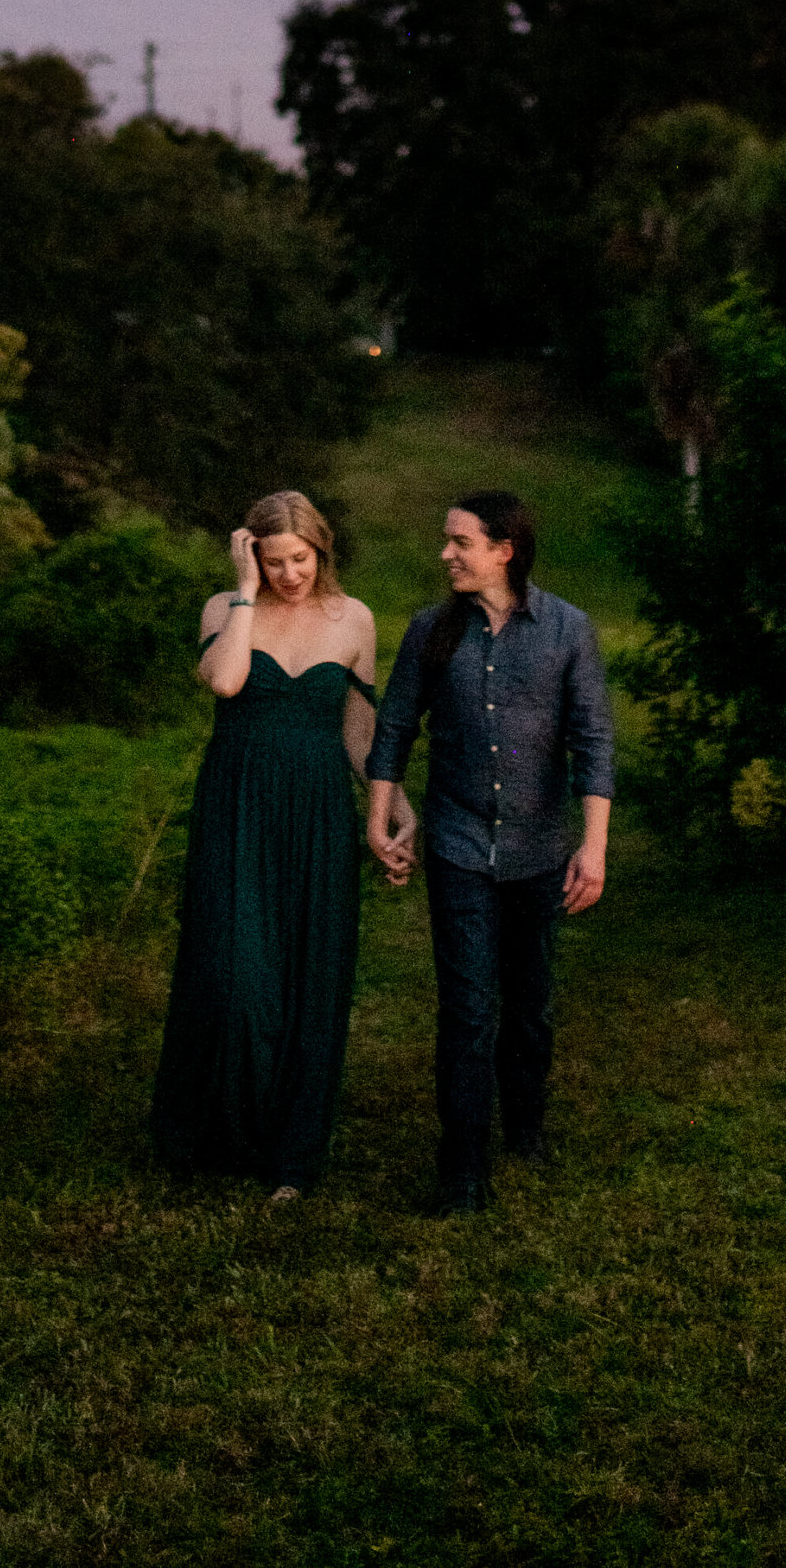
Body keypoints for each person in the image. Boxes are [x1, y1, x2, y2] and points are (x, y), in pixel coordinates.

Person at [364, 491, 615, 1213]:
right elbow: (394, 731)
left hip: (540, 852)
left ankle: (526, 1123)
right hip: (458, 845)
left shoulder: (568, 630)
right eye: (447, 541)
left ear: (504, 549)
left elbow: (594, 744)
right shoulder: (427, 632)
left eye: (460, 542)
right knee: (468, 1011)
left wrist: (591, 850)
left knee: (529, 1004)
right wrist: (379, 822)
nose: (445, 554)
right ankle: (463, 1168)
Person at [149, 487, 400, 1200]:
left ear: (321, 549)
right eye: (274, 560)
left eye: (301, 558)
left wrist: (390, 807)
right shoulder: (226, 611)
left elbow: (359, 730)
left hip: (318, 811)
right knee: (231, 969)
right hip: (237, 805)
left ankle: (290, 1156)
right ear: (251, 555)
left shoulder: (354, 619)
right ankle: (209, 1134)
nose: (291, 574)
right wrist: (244, 592)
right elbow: (226, 680)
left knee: (308, 977)